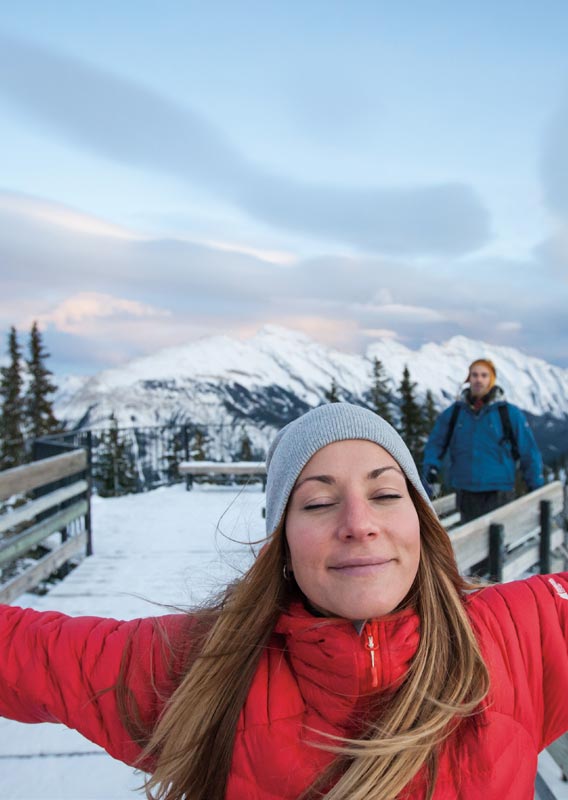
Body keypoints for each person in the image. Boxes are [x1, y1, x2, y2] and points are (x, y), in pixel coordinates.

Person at [1, 402, 567, 800]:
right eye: (318, 503)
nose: (358, 523)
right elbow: (25, 653)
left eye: (386, 493)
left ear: (420, 521)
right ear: (283, 545)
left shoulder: (520, 634)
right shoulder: (203, 670)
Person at [422, 358, 544, 522]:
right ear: (469, 378)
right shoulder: (455, 413)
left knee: (499, 543)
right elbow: (435, 444)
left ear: (491, 379)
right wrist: (430, 472)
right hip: (465, 492)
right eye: (474, 375)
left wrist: (536, 486)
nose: (479, 379)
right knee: (473, 543)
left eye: (484, 375)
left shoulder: (508, 413)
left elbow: (528, 451)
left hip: (499, 491)